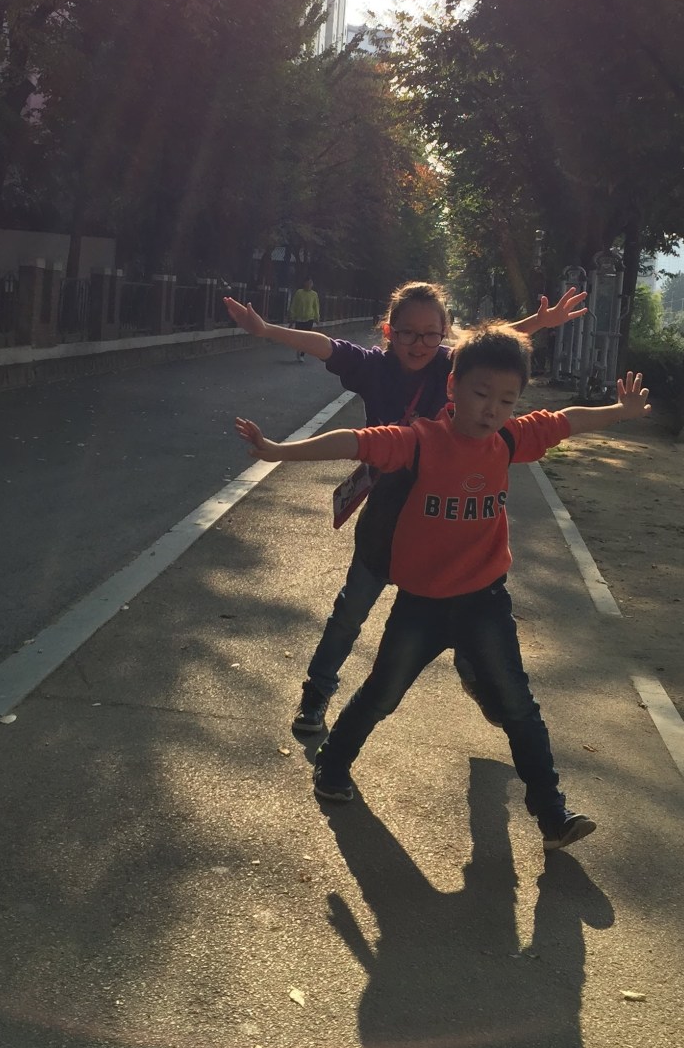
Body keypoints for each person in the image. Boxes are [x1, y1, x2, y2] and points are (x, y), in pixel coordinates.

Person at [235, 324, 651, 850]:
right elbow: (355, 442)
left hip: (484, 600)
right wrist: (279, 450)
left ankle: (552, 814)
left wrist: (621, 412)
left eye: (507, 400)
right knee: (382, 693)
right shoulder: (419, 441)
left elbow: (566, 420)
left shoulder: (509, 439)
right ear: (453, 386)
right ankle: (333, 763)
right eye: (481, 394)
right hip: (422, 605)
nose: (492, 410)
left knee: (519, 706)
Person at [224, 281, 587, 734]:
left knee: (464, 607)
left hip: (448, 515)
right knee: (352, 608)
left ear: (445, 333)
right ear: (388, 331)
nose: (419, 344)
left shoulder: (450, 367)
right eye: (407, 333)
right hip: (390, 510)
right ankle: (316, 692)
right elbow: (323, 345)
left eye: (431, 334)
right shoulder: (371, 368)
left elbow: (491, 347)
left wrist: (540, 323)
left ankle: (477, 676)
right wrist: (266, 329)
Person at [287, 277, 321, 360]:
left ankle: (302, 354)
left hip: (309, 318)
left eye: (311, 283)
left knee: (307, 337)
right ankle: (299, 349)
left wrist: (317, 317)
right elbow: (294, 304)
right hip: (299, 318)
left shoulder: (314, 294)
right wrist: (292, 315)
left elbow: (316, 307)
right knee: (299, 336)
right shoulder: (299, 293)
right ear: (304, 283)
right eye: (308, 283)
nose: (309, 285)